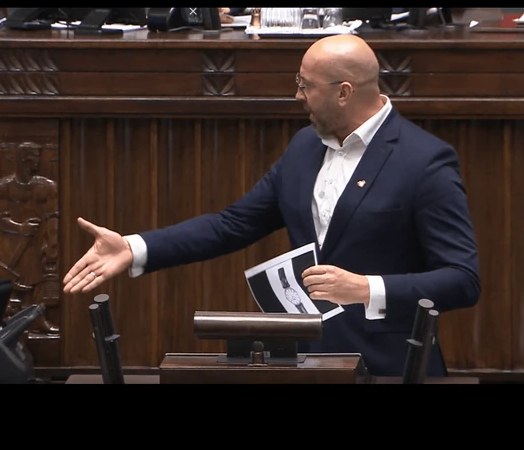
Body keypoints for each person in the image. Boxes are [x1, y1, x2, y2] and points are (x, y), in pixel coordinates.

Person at [62, 34, 481, 378]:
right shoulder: (304, 148)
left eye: (305, 85)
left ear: (344, 92)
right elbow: (231, 225)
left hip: (391, 366)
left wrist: (366, 288)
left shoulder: (424, 161)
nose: (297, 95)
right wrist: (134, 248)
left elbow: (462, 279)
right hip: (308, 362)